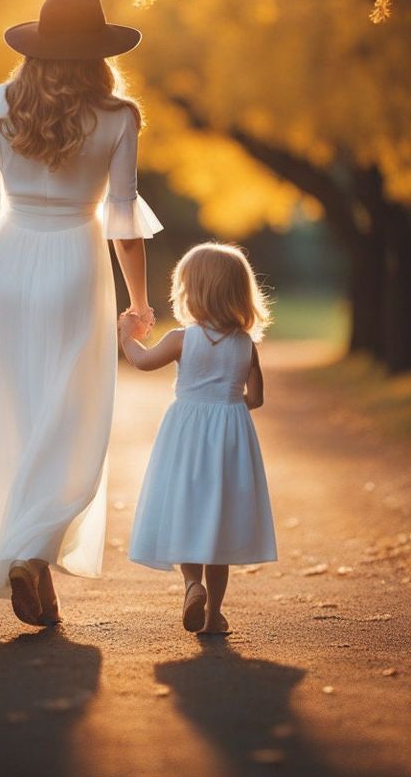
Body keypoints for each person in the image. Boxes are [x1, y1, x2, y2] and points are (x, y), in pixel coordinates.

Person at [0, 0, 162, 627]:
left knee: (15, 412)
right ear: (100, 54)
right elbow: (123, 223)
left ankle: (32, 563)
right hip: (77, 265)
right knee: (73, 416)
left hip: (10, 265)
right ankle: (31, 550)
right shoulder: (119, 116)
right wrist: (139, 301)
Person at [119, 242, 277, 634]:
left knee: (186, 512)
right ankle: (214, 616)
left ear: (191, 291)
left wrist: (126, 335)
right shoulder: (246, 346)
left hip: (185, 433)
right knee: (217, 521)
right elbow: (255, 398)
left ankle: (192, 585)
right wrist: (228, 406)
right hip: (229, 435)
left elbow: (141, 361)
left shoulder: (181, 340)